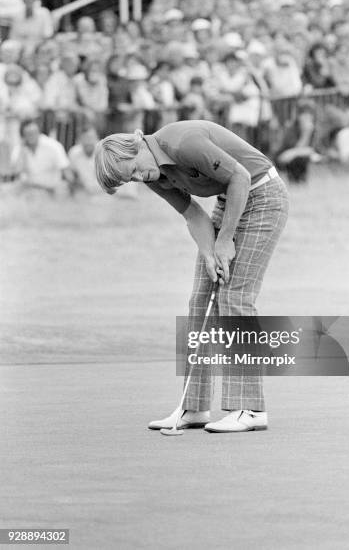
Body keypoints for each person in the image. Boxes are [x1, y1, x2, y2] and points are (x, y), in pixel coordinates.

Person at [94, 122, 289, 433]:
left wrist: (224, 240)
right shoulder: (153, 174)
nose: (135, 178)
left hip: (263, 196)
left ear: (135, 147)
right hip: (231, 201)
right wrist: (211, 253)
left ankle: (251, 409)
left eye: (130, 170)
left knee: (234, 296)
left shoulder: (184, 143)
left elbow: (239, 176)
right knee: (200, 300)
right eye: (127, 180)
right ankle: (194, 407)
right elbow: (193, 214)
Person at [17, 119, 74, 194]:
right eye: (28, 134)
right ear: (23, 136)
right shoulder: (19, 150)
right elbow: (17, 174)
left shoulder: (53, 146)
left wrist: (71, 192)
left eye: (34, 132)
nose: (32, 136)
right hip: (29, 190)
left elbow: (67, 172)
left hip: (51, 191)